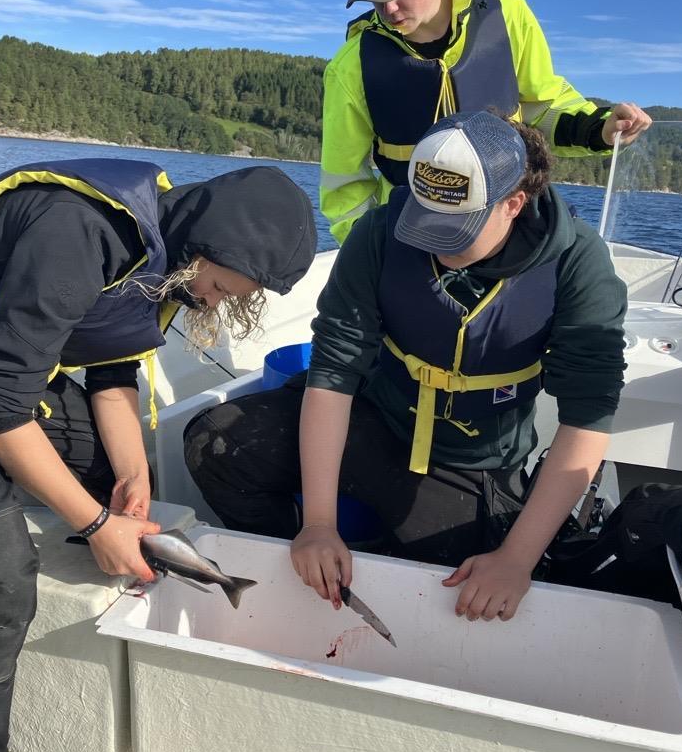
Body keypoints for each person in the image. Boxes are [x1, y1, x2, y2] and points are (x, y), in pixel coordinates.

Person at [0, 158, 316, 752]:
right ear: (212, 241)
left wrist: (132, 473)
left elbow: (111, 369)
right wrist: (95, 523)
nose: (232, 298)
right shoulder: (78, 230)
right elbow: (1, 405)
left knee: (111, 468)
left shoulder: (167, 257)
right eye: (232, 285)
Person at [185, 111, 627, 623]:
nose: (433, 244)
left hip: (471, 461)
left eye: (455, 230)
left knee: (463, 590)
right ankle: (317, 575)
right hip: (377, 421)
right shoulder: (380, 233)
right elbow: (333, 372)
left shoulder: (577, 262)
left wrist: (515, 559)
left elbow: (587, 417)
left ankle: (391, 546)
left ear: (512, 204)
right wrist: (318, 526)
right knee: (215, 444)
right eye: (425, 222)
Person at [321, 0, 652, 244]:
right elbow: (343, 183)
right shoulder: (350, 66)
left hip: (510, 224)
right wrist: (370, 251)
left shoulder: (509, 16)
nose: (389, 9)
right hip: (414, 235)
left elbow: (541, 109)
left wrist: (600, 129)